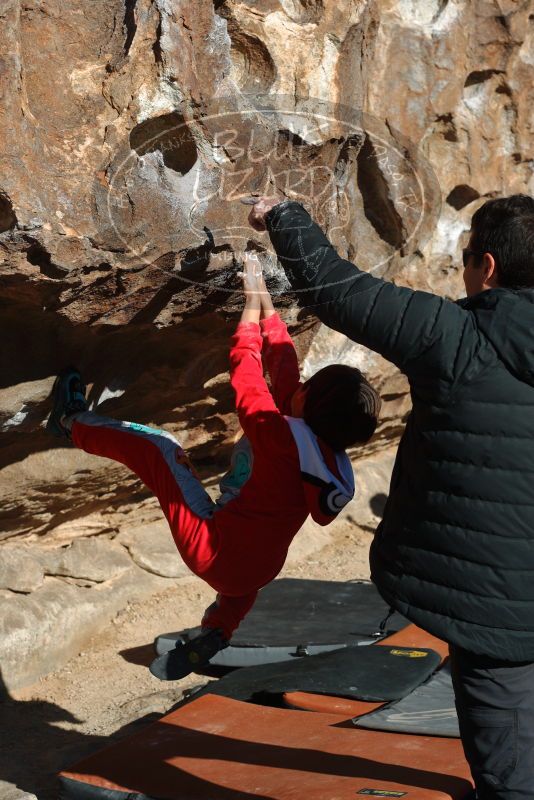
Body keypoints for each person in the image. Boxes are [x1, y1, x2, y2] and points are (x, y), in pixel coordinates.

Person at [248, 193, 534, 799]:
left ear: (486, 267)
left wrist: (283, 214)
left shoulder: (457, 337)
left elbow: (337, 290)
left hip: (499, 603)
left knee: (508, 758)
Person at [46, 253, 381, 677]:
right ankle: (220, 629)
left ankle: (68, 422)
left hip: (210, 545)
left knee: (161, 449)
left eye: (308, 388)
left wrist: (248, 314)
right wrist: (267, 307)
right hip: (255, 569)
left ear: (310, 404)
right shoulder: (324, 452)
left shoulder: (280, 436)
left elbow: (248, 377)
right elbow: (285, 373)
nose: (301, 385)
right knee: (245, 570)